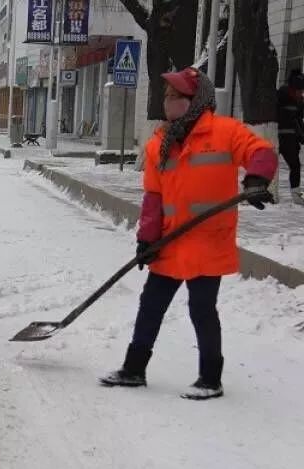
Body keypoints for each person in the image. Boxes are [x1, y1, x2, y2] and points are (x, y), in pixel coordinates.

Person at [99, 67, 277, 400]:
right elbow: (154, 197)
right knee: (151, 304)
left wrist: (256, 179)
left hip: (209, 239)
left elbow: (262, 152)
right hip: (170, 241)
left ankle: (211, 378)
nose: (168, 102)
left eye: (176, 96)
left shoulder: (225, 132)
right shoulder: (159, 145)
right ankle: (134, 369)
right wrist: (146, 238)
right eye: (167, 96)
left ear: (195, 101)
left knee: (201, 308)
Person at [276, 69, 304, 205]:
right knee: (268, 164)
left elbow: (299, 120)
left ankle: (296, 194)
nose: (301, 93)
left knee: (296, 166)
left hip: (291, 139)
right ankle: (258, 191)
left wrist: (301, 136)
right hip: (278, 136)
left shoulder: (299, 102)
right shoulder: (281, 95)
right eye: (299, 90)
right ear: (293, 88)